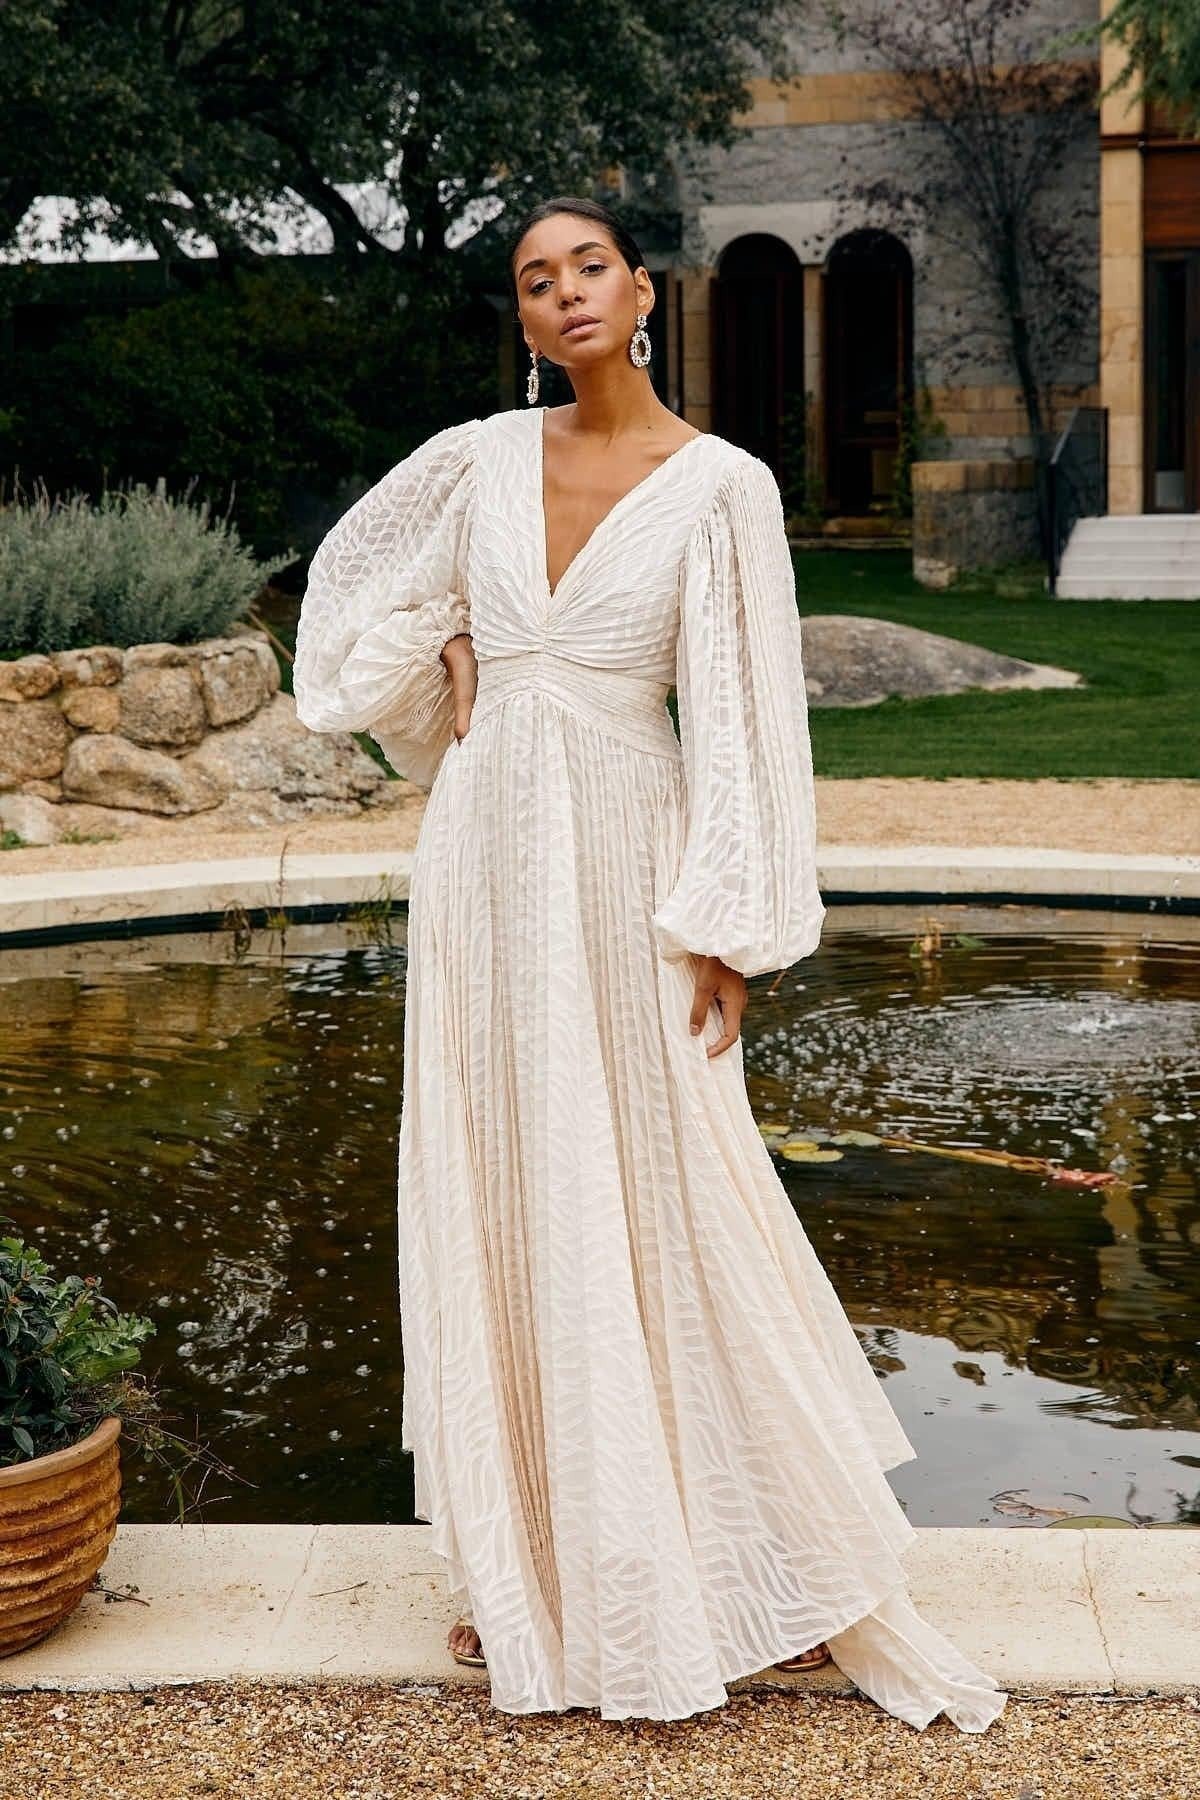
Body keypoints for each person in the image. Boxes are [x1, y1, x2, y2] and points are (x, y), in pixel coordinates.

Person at [291, 195, 1007, 1733]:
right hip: (481, 862)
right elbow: (344, 618)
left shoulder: (724, 488)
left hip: (629, 860)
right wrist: (451, 642)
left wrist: (731, 931)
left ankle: (761, 1562)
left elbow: (751, 720)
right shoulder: (479, 456)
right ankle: (530, 1569)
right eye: (534, 281)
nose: (563, 297)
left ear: (642, 292)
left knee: (677, 1188)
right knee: (501, 1181)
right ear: (525, 316)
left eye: (588, 267)